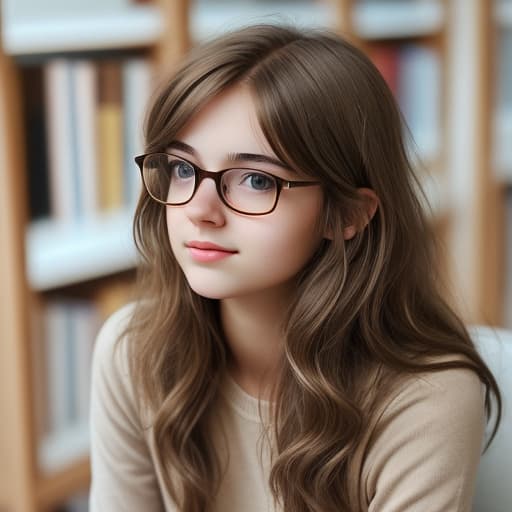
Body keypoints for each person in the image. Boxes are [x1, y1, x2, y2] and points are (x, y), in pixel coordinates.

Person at [89, 24, 501, 512]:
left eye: (256, 179)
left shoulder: (426, 400)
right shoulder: (134, 352)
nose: (199, 209)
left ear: (348, 213)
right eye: (182, 168)